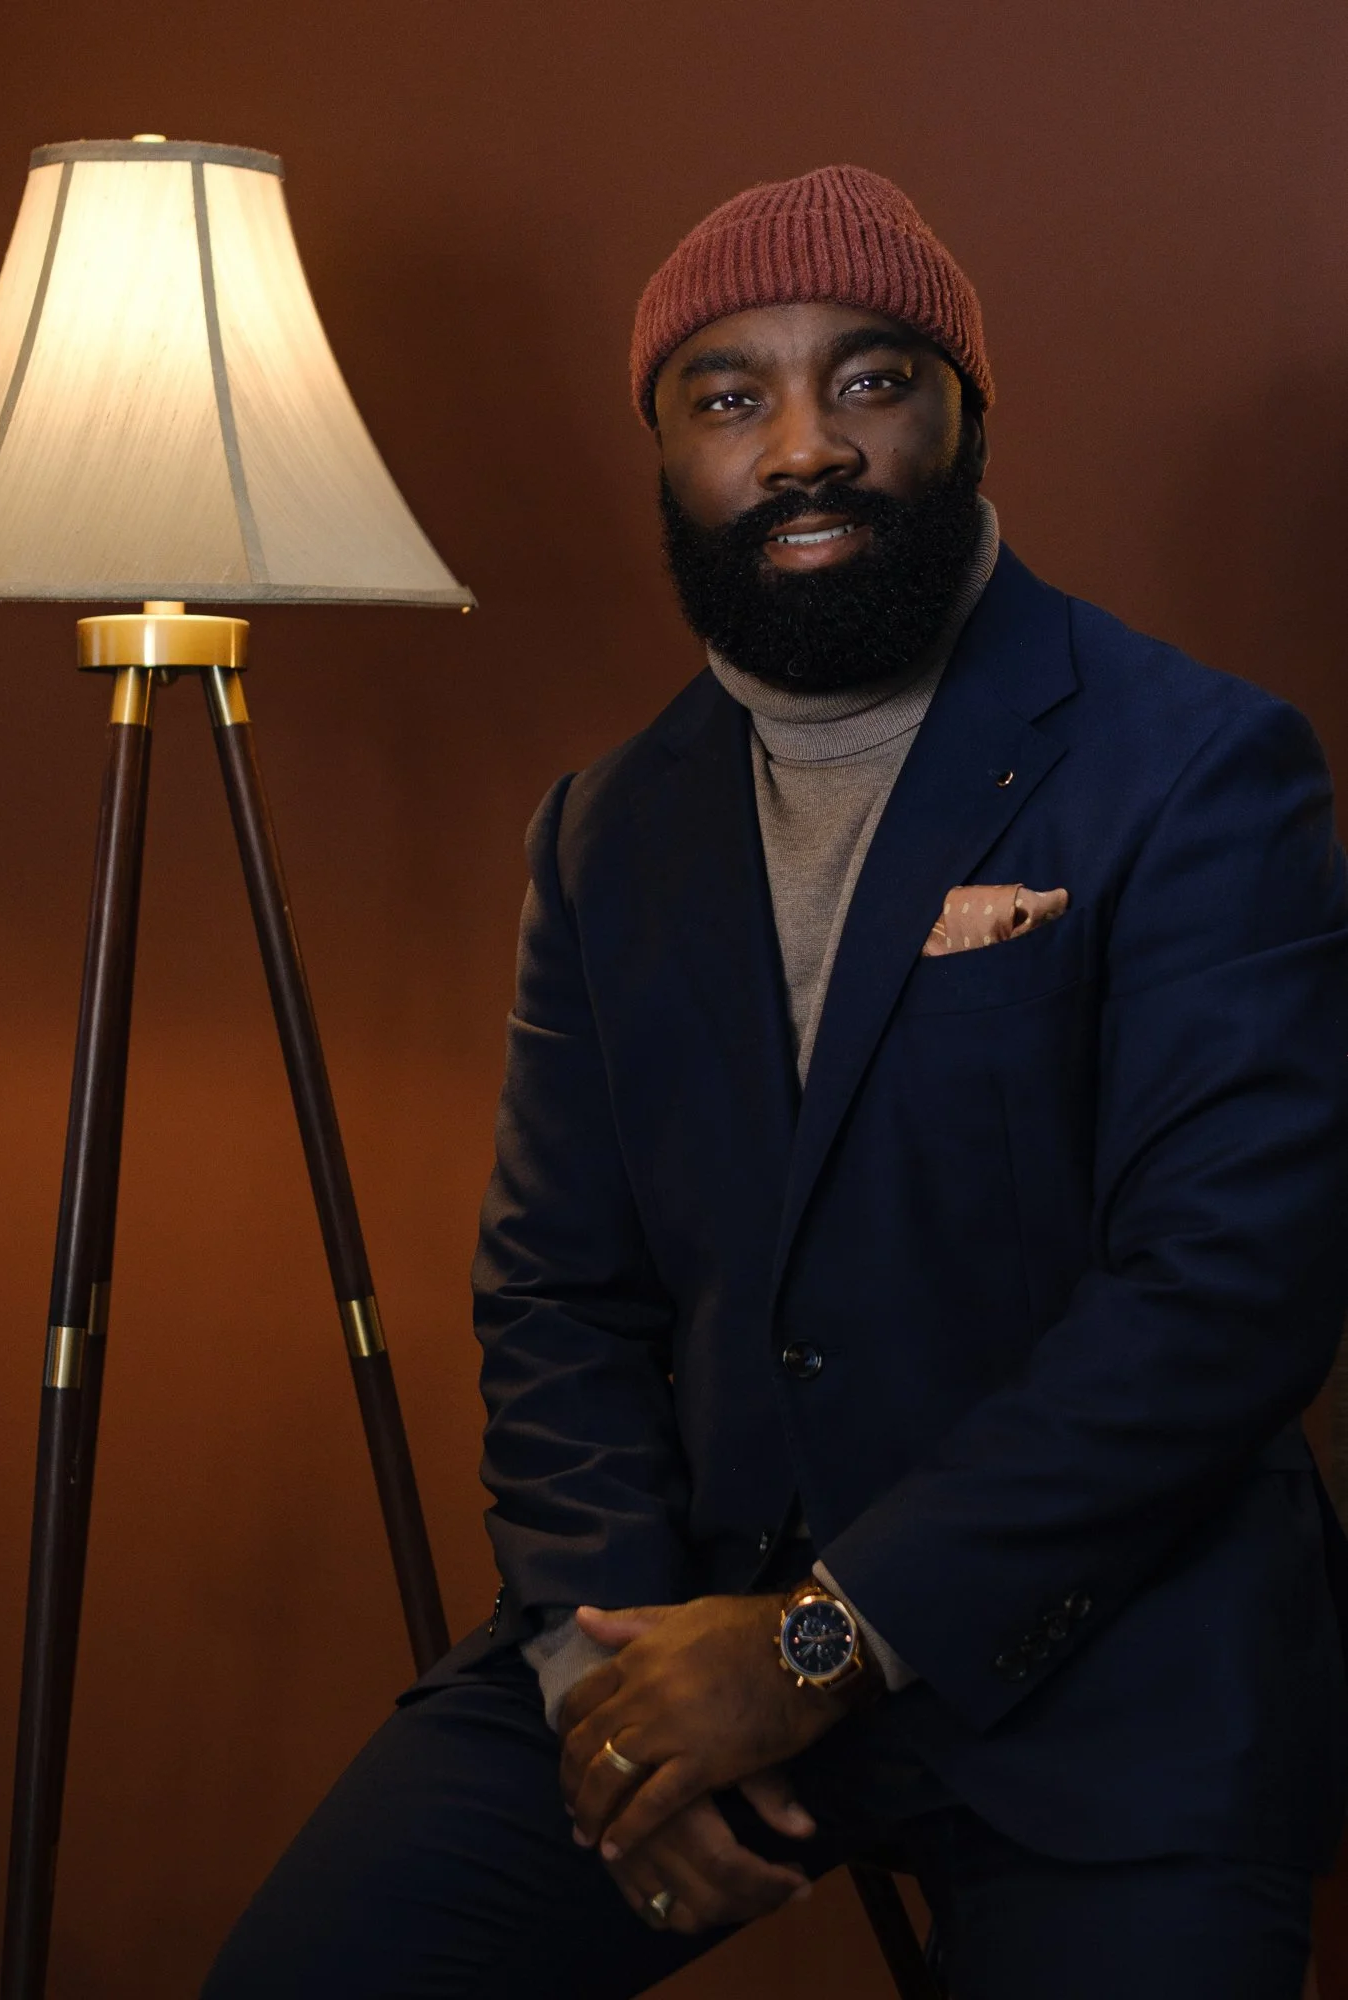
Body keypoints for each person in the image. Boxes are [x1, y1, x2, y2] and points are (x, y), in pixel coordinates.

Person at [204, 165, 1348, 2000]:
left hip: (1104, 1667)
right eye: (731, 397)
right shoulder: (603, 831)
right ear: (665, 453)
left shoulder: (1198, 765)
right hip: (689, 1608)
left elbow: (1229, 1293)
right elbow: (561, 1294)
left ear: (968, 414)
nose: (804, 444)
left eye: (873, 379)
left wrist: (818, 1646)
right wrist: (609, 1686)